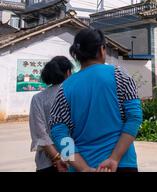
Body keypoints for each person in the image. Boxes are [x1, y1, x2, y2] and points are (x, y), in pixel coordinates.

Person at [49, 28, 143, 172]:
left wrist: (83, 168)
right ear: (101, 49)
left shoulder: (65, 88)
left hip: (82, 165)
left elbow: (58, 132)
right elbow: (135, 118)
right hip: (122, 164)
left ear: (77, 54)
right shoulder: (120, 76)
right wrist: (114, 158)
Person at [29, 56, 73, 172]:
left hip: (46, 162)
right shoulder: (74, 95)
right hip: (74, 158)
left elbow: (40, 134)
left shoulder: (38, 98)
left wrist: (57, 158)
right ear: (68, 73)